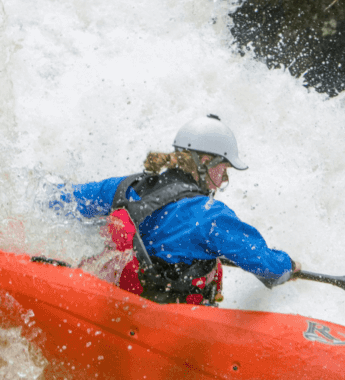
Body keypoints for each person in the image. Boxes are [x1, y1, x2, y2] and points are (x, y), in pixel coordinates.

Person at [52, 114, 300, 305]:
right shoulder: (210, 216)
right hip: (162, 323)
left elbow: (63, 203)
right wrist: (289, 266)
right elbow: (268, 266)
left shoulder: (124, 187)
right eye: (223, 169)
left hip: (112, 302)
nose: (224, 179)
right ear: (205, 162)